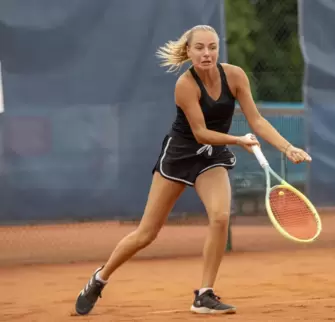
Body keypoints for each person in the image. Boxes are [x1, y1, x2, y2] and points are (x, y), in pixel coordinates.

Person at [75, 24, 311, 316]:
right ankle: (99, 278)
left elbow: (257, 120)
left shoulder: (235, 76)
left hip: (211, 158)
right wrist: (237, 140)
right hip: (180, 156)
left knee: (221, 217)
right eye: (199, 48)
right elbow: (200, 133)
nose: (207, 53)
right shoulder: (185, 85)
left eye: (212, 47)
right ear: (188, 51)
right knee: (147, 233)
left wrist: (287, 148)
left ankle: (204, 294)